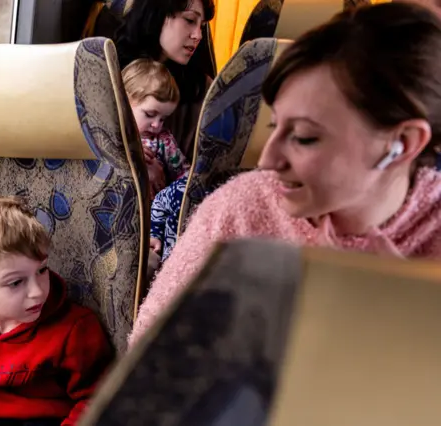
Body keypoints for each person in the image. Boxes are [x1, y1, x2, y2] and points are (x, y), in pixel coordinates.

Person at [128, 2, 441, 348]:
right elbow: (147, 355)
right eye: (274, 127)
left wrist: (413, 314)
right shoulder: (239, 209)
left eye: (305, 137)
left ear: (402, 143)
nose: (268, 159)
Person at [0, 195, 113, 426]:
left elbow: (95, 400)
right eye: (15, 282)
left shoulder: (76, 329)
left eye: (42, 271)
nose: (38, 292)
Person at [114, 0, 216, 171]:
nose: (198, 35)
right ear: (157, 15)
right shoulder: (107, 73)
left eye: (202, 26)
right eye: (190, 20)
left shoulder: (201, 88)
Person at [122, 58, 190, 198]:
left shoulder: (163, 140)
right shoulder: (110, 133)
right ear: (125, 103)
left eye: (163, 119)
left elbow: (185, 175)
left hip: (153, 208)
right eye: (150, 114)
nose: (157, 125)